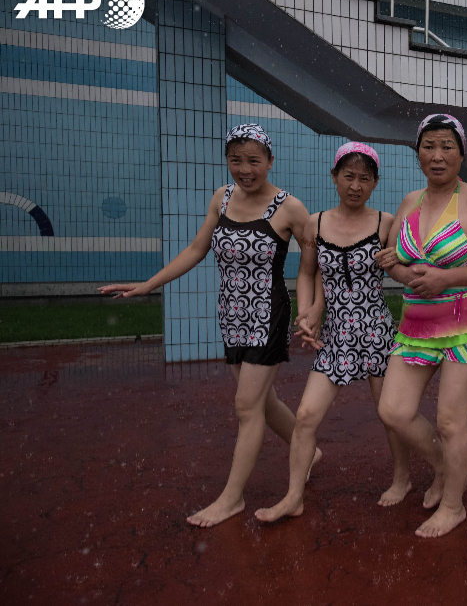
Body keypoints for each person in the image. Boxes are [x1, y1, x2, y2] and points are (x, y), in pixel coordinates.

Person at [99, 123, 316, 527]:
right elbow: (197, 249)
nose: (245, 169)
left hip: (268, 315)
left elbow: (314, 262)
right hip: (231, 314)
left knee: (246, 407)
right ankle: (310, 452)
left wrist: (312, 309)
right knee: (263, 401)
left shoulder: (290, 208)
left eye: (254, 161)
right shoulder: (222, 197)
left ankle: (232, 499)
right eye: (236, 160)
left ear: (270, 161)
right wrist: (148, 285)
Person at [254, 142, 410, 522]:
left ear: (375, 183)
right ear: (334, 177)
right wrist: (307, 311)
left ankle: (402, 478)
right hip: (336, 337)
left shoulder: (385, 223)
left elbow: (403, 265)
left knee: (389, 414)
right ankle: (293, 496)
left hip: (376, 333)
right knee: (306, 415)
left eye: (364, 178)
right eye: (348, 176)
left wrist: (401, 256)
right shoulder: (316, 224)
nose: (355, 186)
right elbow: (307, 272)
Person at [375, 114, 467, 538]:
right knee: (393, 410)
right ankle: (441, 464)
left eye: (446, 146)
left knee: (451, 421)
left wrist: (446, 278)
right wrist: (402, 272)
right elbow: (393, 261)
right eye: (429, 146)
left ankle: (454, 505)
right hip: (416, 323)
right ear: (418, 152)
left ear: (461, 153)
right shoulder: (410, 201)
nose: (437, 155)